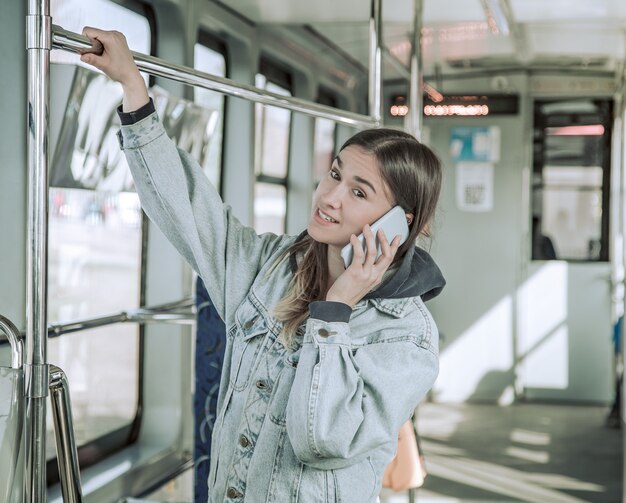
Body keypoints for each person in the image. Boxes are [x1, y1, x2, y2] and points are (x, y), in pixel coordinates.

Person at [80, 27, 445, 503]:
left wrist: (335, 311)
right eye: (335, 174)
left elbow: (324, 440)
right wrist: (133, 89)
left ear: (399, 224)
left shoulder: (407, 336)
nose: (329, 198)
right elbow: (188, 209)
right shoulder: (269, 268)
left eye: (358, 192)